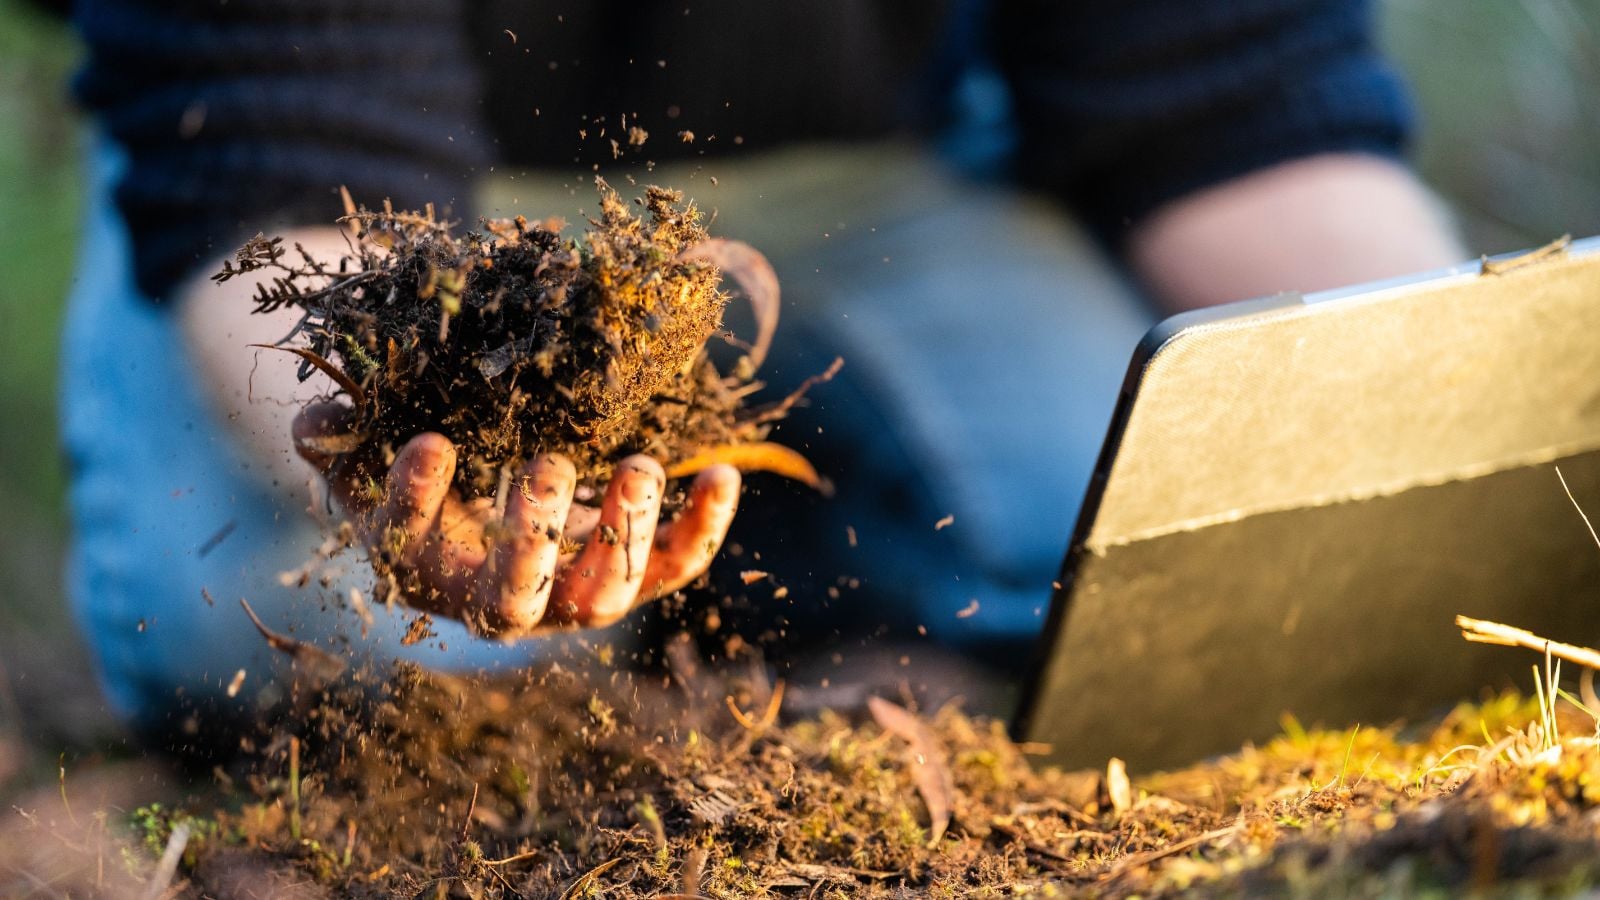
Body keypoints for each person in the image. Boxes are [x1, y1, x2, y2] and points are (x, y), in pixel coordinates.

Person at [64, 0, 1464, 742]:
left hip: (876, 169)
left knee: (1131, 523)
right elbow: (285, 160)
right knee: (307, 628)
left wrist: (1477, 417)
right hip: (390, 216)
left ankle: (766, 563)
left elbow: (1237, 103)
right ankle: (700, 597)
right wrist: (392, 468)